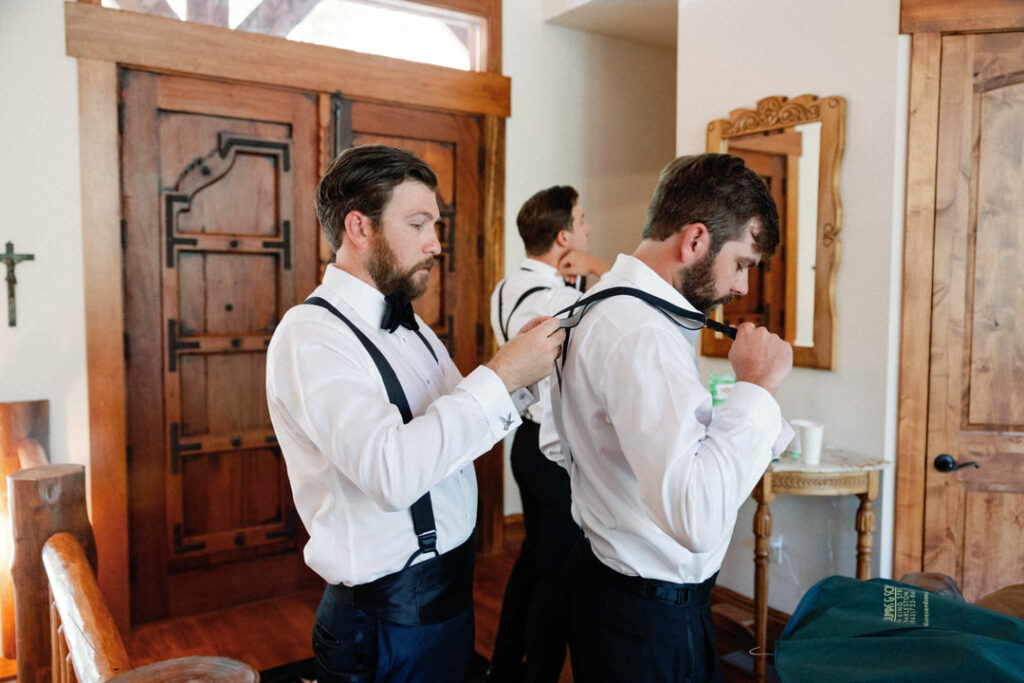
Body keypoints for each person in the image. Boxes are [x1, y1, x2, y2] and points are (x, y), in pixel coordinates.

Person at [265, 144, 565, 683]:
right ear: (360, 227)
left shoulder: (412, 325)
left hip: (449, 599)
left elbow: (454, 436)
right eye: (419, 223)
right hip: (382, 623)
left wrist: (520, 382)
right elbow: (392, 472)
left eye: (436, 224)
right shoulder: (310, 336)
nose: (437, 243)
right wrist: (500, 376)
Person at [548, 153, 794, 682]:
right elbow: (696, 519)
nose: (742, 289)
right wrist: (755, 388)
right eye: (743, 263)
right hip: (646, 614)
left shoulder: (604, 306)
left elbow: (560, 441)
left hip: (614, 588)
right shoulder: (641, 333)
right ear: (696, 241)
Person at [486, 186, 609, 682]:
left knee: (535, 558)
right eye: (582, 220)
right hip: (552, 452)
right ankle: (537, 674)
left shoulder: (506, 286)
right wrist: (596, 268)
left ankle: (502, 665)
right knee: (556, 576)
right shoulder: (559, 297)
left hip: (524, 443)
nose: (588, 227)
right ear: (564, 236)